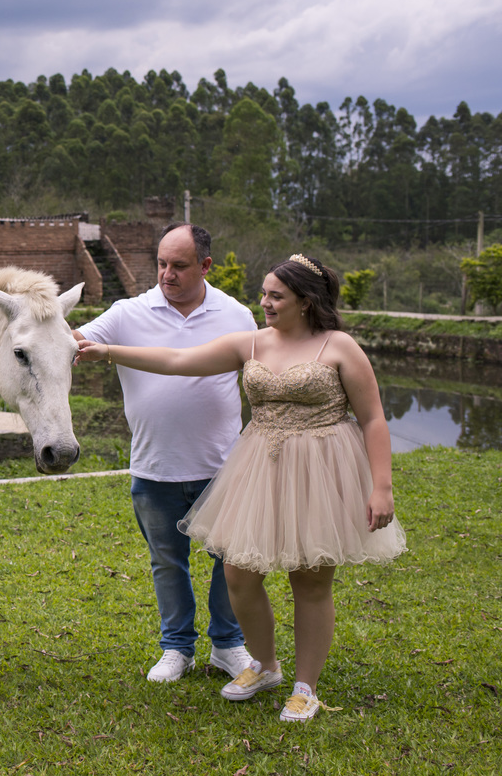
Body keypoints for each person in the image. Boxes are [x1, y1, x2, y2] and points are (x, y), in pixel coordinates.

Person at [77, 254, 407, 722]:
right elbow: (176, 360)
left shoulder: (340, 347)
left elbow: (373, 418)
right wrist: (108, 351)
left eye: (276, 296)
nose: (265, 303)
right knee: (239, 573)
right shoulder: (250, 343)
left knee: (310, 580)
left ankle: (305, 687)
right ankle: (266, 665)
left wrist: (382, 486)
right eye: (265, 293)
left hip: (323, 467)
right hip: (259, 466)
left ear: (306, 302)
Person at [74, 223, 257, 684]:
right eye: (161, 264)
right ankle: (177, 648)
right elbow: (71, 340)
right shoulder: (127, 312)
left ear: (206, 266)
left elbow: (263, 380)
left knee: (228, 561)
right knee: (167, 561)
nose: (166, 274)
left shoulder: (236, 315)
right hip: (155, 466)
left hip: (223, 466)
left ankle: (227, 643)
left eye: (179, 265)